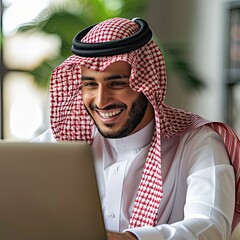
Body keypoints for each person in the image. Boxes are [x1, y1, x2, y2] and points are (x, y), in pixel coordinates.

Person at [34, 17, 240, 239]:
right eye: (91, 84)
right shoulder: (63, 142)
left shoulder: (198, 142)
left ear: (147, 84)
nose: (101, 101)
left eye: (117, 83)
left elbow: (210, 227)